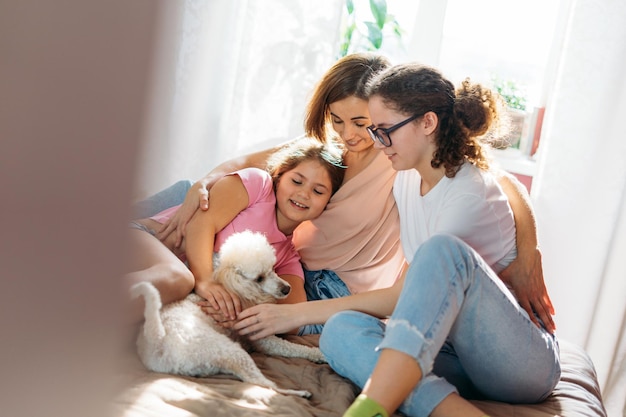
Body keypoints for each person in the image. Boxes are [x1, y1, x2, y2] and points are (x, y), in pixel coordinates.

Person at [138, 53, 554, 337]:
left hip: (320, 284)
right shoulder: (325, 150)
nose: (350, 135)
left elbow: (504, 184)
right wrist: (201, 186)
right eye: (337, 120)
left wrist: (529, 253)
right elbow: (237, 165)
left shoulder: (398, 159)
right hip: (278, 260)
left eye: (362, 122)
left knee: (206, 290)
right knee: (181, 197)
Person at [308, 64, 560, 417]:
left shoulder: (470, 194)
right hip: (454, 354)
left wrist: (289, 315)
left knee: (442, 250)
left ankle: (372, 407)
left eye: (385, 131)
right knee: (341, 330)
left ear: (427, 123)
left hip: (519, 363)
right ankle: (455, 411)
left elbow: (402, 294)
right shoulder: (407, 179)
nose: (378, 143)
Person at [125, 137, 344, 323]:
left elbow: (290, 314)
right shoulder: (258, 186)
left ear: (328, 202)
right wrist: (205, 281)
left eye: (318, 191)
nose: (304, 194)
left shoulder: (287, 256)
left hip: (160, 282)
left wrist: (235, 312)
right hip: (145, 238)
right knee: (178, 278)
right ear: (280, 175)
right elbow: (201, 224)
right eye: (297, 181)